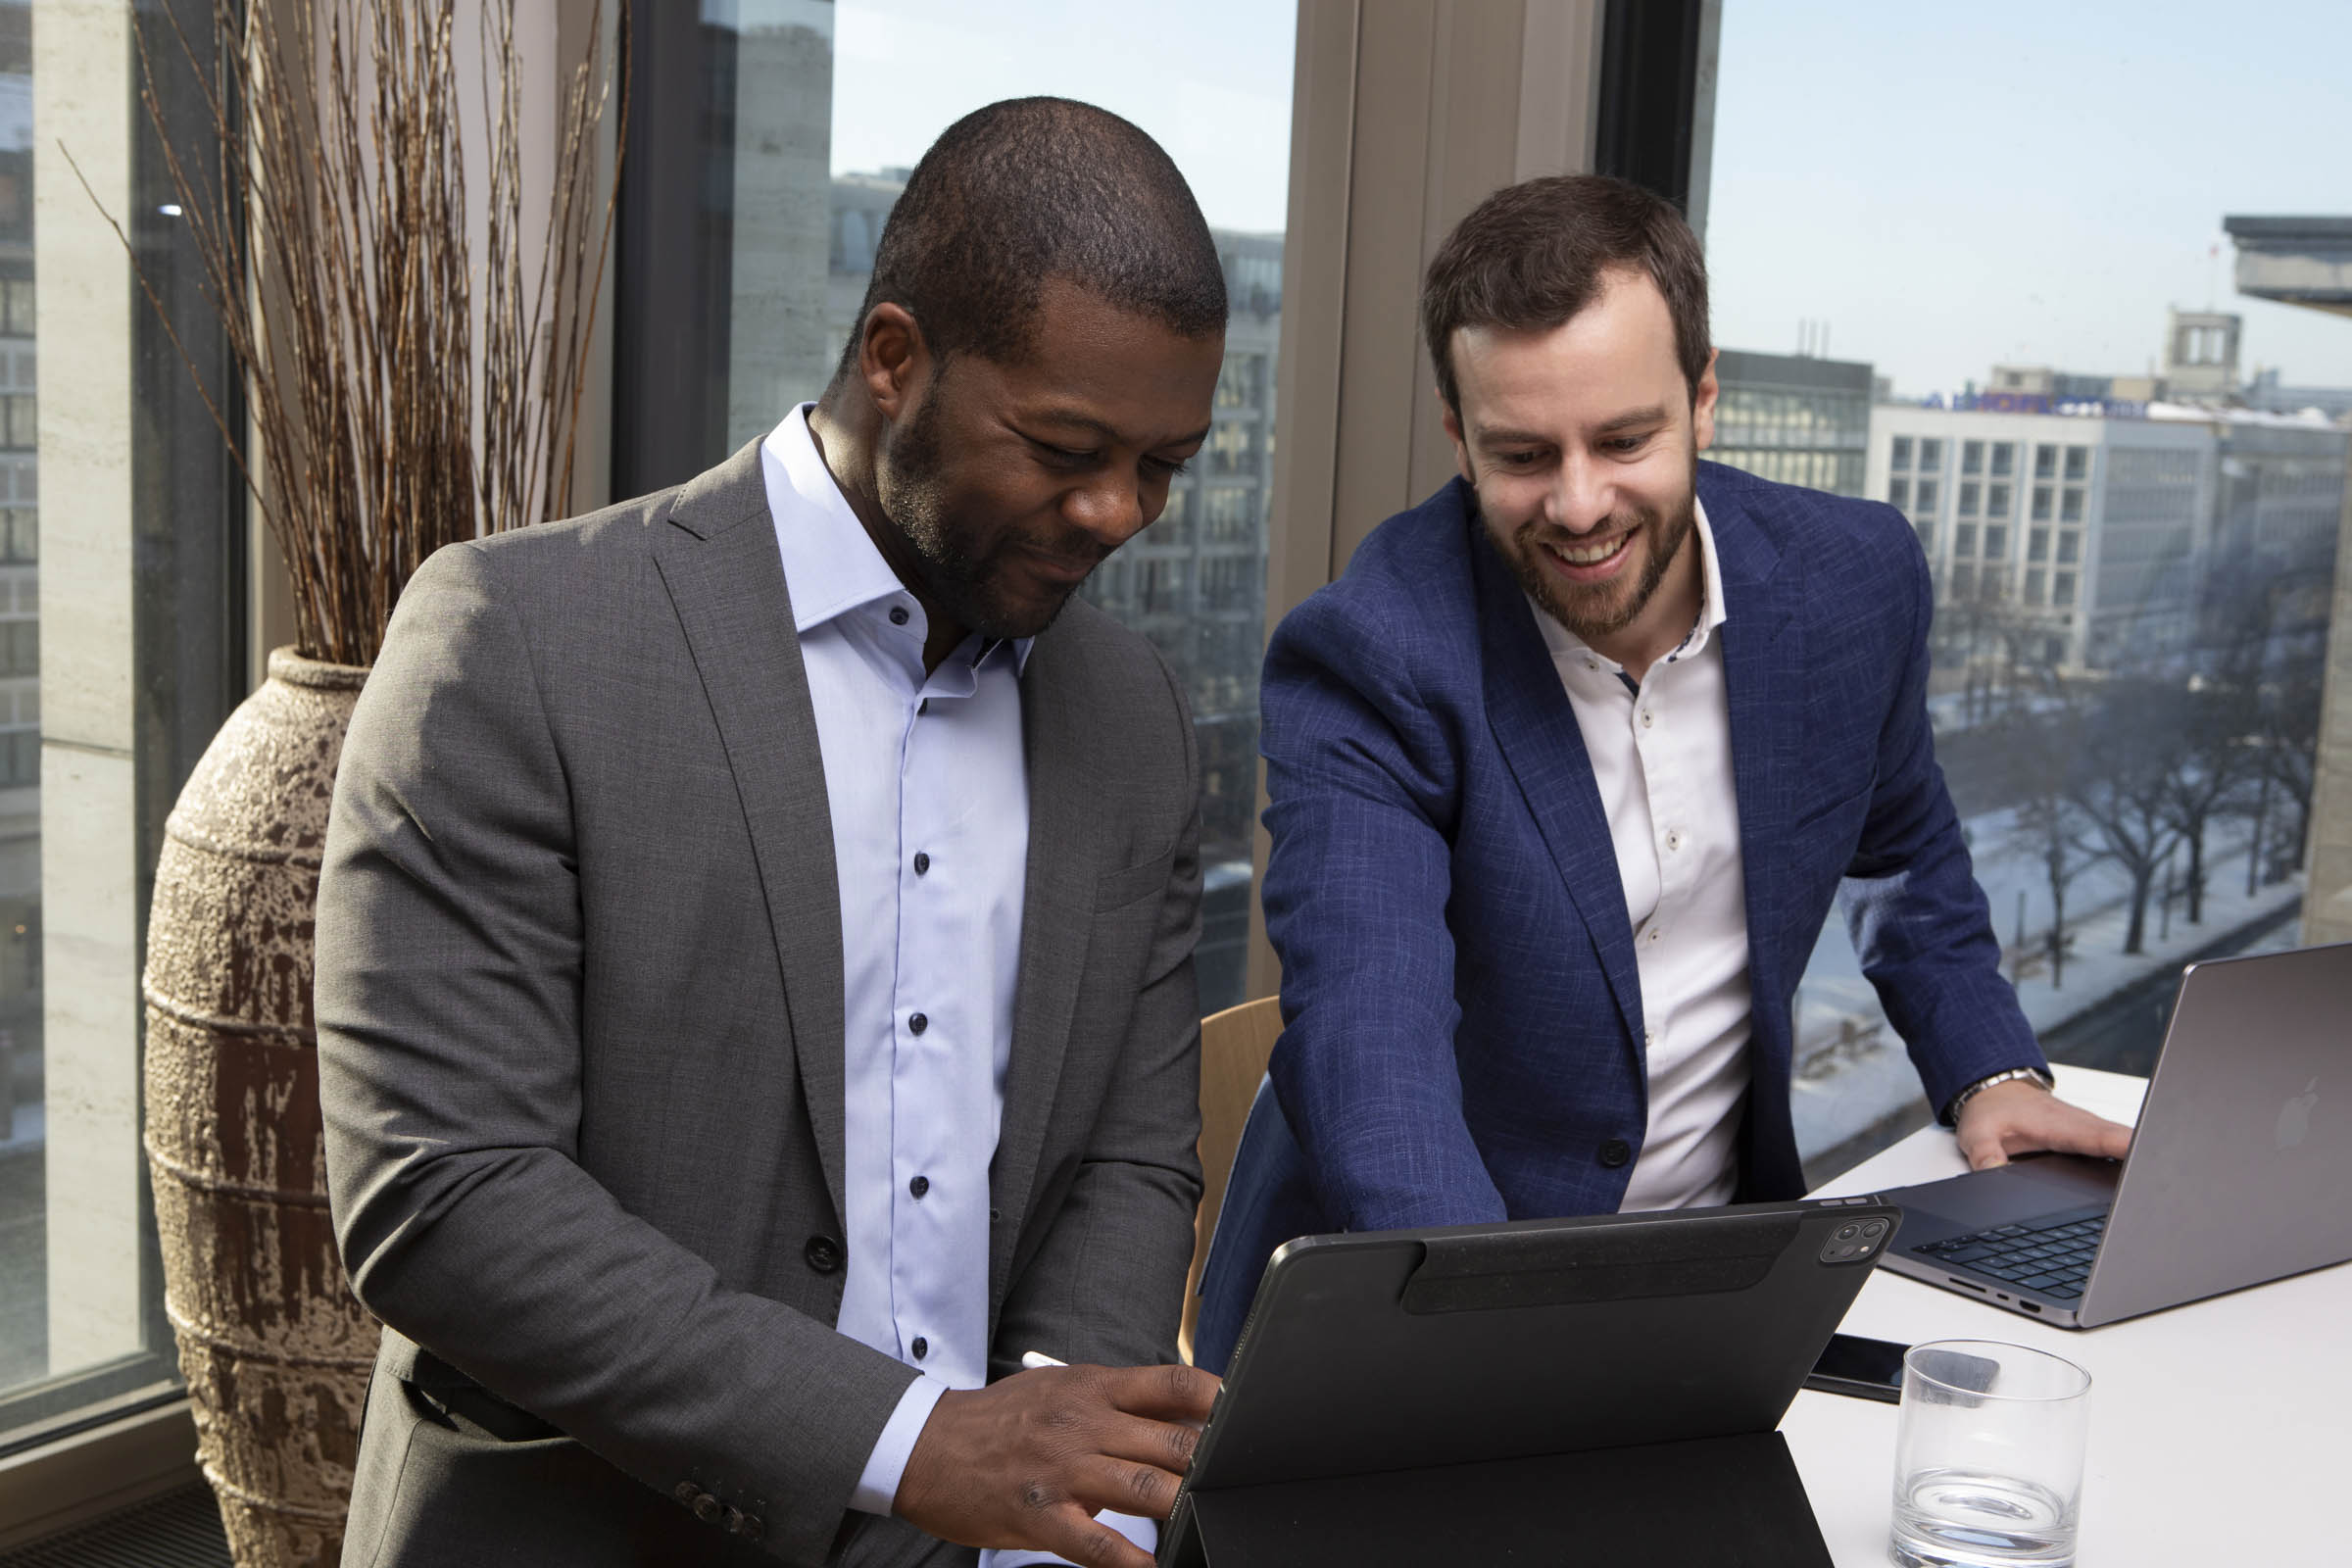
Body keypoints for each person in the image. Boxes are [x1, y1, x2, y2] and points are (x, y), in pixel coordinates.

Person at [318, 99, 1224, 1568]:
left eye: (1164, 466)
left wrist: (1044, 1476)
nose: (1116, 510)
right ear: (892, 357)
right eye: (1064, 446)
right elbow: (447, 1191)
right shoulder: (515, 643)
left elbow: (1130, 1152)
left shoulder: (1134, 718)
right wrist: (911, 1444)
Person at [1193, 173, 2132, 1373]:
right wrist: (1497, 1339)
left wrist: (1987, 1067)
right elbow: (1374, 1042)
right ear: (1457, 436)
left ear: (1703, 396)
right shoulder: (1373, 651)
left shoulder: (1853, 581)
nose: (1579, 505)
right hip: (1419, 1306)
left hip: (1711, 1294)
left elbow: (1904, 854)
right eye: (1523, 454)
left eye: (1625, 439)